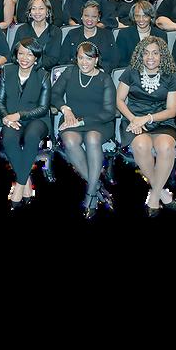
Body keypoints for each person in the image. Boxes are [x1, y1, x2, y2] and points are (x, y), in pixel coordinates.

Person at [116, 37, 176, 216]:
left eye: (155, 53)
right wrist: (133, 120)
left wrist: (147, 118)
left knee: (166, 147)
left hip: (161, 121)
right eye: (146, 53)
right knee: (141, 145)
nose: (150, 57)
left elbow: (171, 110)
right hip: (134, 119)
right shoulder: (131, 72)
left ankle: (154, 197)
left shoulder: (171, 75)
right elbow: (119, 100)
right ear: (140, 55)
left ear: (162, 55)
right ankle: (162, 193)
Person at [52, 41, 117, 218]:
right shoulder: (69, 72)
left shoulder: (105, 79)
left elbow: (109, 113)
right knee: (70, 140)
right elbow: (54, 94)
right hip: (72, 119)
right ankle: (95, 185)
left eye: (89, 58)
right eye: (81, 58)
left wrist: (80, 122)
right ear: (76, 58)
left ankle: (91, 195)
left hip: (98, 122)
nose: (84, 62)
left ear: (96, 60)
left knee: (92, 139)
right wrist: (65, 109)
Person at [0, 37, 51, 210]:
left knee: (32, 137)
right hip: (11, 119)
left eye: (29, 54)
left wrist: (19, 115)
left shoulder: (43, 75)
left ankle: (19, 186)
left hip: (37, 119)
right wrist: (6, 117)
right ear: (16, 54)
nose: (24, 58)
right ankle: (26, 180)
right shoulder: (7, 71)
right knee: (9, 139)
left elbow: (43, 108)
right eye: (21, 53)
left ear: (36, 57)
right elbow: (0, 101)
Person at [60, 0, 118, 72]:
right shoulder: (72, 34)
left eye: (94, 16)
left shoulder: (108, 35)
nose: (90, 19)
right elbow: (63, 59)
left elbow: (114, 61)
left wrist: (98, 71)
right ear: (81, 16)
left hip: (101, 74)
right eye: (86, 15)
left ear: (98, 18)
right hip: (75, 73)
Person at [11, 0, 63, 70]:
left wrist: (33, 64)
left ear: (48, 11)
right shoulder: (22, 29)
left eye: (41, 8)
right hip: (23, 68)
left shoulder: (56, 31)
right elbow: (14, 53)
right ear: (30, 12)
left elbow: (53, 59)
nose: (37, 12)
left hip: (45, 71)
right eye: (33, 8)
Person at [116, 0, 168, 66]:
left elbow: (164, 60)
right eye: (137, 16)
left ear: (151, 17)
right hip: (131, 70)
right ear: (133, 17)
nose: (141, 19)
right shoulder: (124, 34)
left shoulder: (161, 35)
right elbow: (121, 62)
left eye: (145, 16)